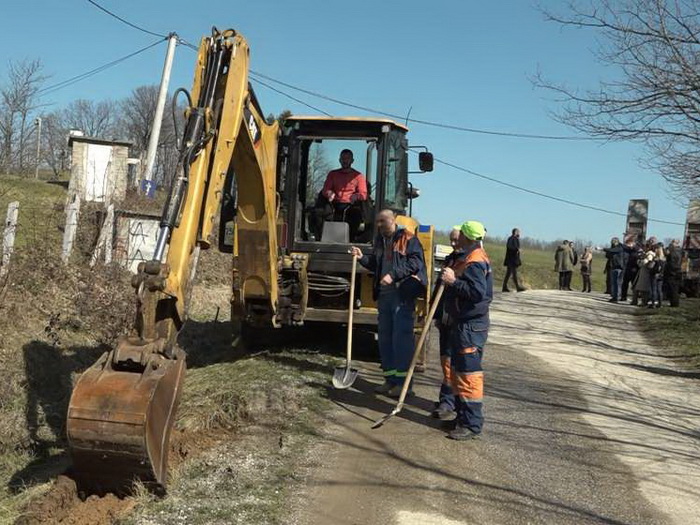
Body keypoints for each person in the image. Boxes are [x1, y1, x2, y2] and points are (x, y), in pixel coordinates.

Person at [351, 210, 427, 398]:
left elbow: (416, 263)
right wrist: (362, 258)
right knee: (385, 338)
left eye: (382, 221)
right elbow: (376, 266)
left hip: (401, 295)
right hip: (384, 296)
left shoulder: (408, 239)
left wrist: (393, 275)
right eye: (377, 222)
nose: (378, 225)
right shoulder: (379, 241)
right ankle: (390, 379)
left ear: (392, 221)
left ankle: (404, 385)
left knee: (401, 339)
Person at [440, 221, 493, 440]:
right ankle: (462, 418)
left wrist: (453, 282)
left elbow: (477, 293)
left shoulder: (476, 260)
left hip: (472, 325)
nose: (457, 236)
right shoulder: (466, 256)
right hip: (462, 322)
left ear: (468, 237)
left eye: (460, 234)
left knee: (469, 375)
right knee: (459, 372)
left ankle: (472, 424)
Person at [431, 227, 462, 420]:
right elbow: (438, 288)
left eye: (456, 240)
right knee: (445, 361)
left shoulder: (467, 261)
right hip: (444, 318)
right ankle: (446, 398)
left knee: (451, 362)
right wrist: (435, 313)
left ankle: (449, 402)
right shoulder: (450, 258)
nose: (452, 243)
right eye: (451, 240)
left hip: (457, 321)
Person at [316, 149, 368, 240]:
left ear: (352, 161)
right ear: (340, 160)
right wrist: (329, 193)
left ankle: (351, 239)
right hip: (334, 203)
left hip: (351, 205)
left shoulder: (359, 176)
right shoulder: (333, 174)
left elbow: (363, 194)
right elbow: (326, 189)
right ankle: (320, 238)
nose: (345, 160)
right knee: (319, 213)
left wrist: (356, 196)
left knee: (355, 215)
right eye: (343, 158)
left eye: (347, 158)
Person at [631, 242, 655, 306]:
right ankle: (634, 301)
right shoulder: (645, 254)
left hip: (645, 273)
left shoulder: (650, 255)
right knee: (636, 287)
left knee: (644, 289)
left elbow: (644, 263)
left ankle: (644, 302)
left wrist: (639, 261)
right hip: (641, 273)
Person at [604, 237, 627, 302]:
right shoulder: (613, 248)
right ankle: (614, 296)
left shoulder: (620, 247)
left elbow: (612, 250)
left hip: (619, 268)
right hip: (613, 267)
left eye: (613, 242)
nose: (612, 243)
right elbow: (608, 255)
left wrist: (603, 249)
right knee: (613, 283)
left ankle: (617, 297)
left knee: (618, 283)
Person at [502, 228, 525, 292]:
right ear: (515, 232)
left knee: (508, 273)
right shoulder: (512, 239)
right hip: (512, 259)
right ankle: (517, 287)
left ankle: (504, 287)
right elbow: (510, 247)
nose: (519, 233)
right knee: (514, 273)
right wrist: (517, 250)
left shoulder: (512, 238)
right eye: (518, 232)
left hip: (512, 259)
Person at [664, 239, 683, 307]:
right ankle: (674, 303)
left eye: (672, 243)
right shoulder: (680, 251)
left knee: (672, 289)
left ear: (675, 244)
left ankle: (674, 303)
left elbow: (671, 263)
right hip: (678, 272)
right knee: (676, 289)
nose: (671, 244)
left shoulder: (673, 252)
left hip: (673, 273)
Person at [649, 243, 666, 308]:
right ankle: (660, 304)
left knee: (654, 289)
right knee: (659, 290)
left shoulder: (656, 259)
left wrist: (649, 263)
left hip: (654, 275)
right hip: (661, 275)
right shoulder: (664, 259)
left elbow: (650, 266)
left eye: (655, 249)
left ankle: (653, 303)